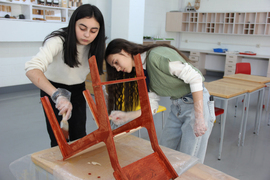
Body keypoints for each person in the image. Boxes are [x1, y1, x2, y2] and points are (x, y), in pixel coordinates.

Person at [104, 38, 215, 163]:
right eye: (114, 67)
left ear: (124, 51)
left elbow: (196, 78)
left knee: (189, 160)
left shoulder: (156, 56)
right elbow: (151, 106)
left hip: (196, 103)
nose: (117, 69)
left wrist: (199, 117)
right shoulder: (142, 72)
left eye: (116, 62)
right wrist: (126, 116)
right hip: (177, 107)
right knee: (165, 154)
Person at [25, 4, 106, 147]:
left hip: (78, 90)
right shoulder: (57, 41)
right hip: (53, 89)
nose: (87, 35)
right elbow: (32, 69)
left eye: (94, 31)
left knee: (79, 136)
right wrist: (57, 95)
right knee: (59, 139)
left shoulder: (96, 46)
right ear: (73, 23)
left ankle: (78, 169)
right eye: (82, 28)